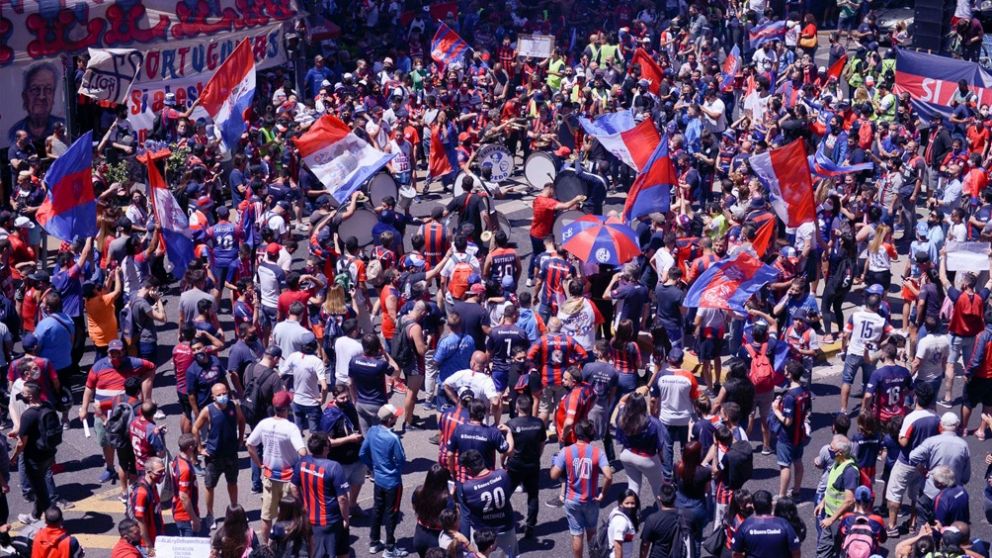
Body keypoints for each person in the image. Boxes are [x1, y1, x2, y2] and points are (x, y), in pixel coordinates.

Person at [246, 390, 307, 545]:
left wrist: (259, 463)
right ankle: (289, 545)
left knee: (266, 515)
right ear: (287, 408)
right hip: (289, 478)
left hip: (270, 476)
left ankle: (266, 546)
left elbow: (249, 444)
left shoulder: (264, 424)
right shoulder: (291, 428)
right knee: (292, 514)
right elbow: (302, 452)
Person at [550, 420, 612, 558]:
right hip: (591, 499)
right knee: (592, 533)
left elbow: (553, 475)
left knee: (576, 534)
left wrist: (555, 463)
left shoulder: (566, 451)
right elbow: (608, 476)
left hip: (572, 500)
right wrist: (602, 494)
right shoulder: (598, 452)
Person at [192, 382, 246, 529]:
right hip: (213, 456)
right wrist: (199, 448)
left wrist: (240, 439)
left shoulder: (234, 406)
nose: (223, 396)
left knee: (232, 483)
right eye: (219, 395)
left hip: (231, 454)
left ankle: (234, 510)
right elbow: (195, 428)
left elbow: (241, 421)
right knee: (210, 486)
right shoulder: (207, 410)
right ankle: (210, 515)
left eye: (224, 393)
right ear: (213, 396)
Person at [359, 404, 408, 558]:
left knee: (377, 510)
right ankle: (390, 548)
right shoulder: (393, 438)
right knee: (391, 514)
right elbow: (401, 460)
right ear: (389, 419)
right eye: (395, 416)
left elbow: (362, 453)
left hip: (379, 480)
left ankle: (374, 542)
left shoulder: (372, 431)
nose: (397, 417)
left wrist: (373, 467)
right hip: (392, 482)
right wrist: (394, 471)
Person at [294, 432, 350, 558]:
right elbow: (342, 498)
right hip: (330, 521)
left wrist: (302, 506)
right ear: (325, 448)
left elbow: (293, 487)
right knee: (339, 551)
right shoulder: (334, 467)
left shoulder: (302, 463)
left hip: (311, 518)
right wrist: (345, 518)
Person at [10, 382, 57, 524]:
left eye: (23, 393)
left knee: (41, 491)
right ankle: (35, 515)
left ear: (30, 396)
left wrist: (14, 457)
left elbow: (21, 443)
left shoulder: (28, 415)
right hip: (48, 454)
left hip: (34, 459)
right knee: (40, 486)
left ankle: (52, 522)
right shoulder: (48, 406)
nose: (21, 395)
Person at [457, 449, 518, 557]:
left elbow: (465, 514)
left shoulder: (468, 487)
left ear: (468, 469)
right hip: (505, 527)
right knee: (510, 555)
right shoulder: (503, 474)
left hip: (482, 534)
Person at [504, 394, 546, 539]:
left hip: (515, 465)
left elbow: (507, 447)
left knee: (505, 494)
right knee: (533, 496)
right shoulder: (539, 423)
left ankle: (504, 522)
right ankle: (531, 525)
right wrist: (537, 458)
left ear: (517, 407)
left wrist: (502, 462)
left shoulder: (511, 424)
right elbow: (542, 444)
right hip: (533, 464)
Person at [771, 360, 812, 499]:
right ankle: (796, 491)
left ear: (789, 374)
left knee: (785, 466)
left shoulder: (790, 396)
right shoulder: (805, 392)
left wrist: (776, 410)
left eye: (786, 370)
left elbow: (787, 421)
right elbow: (807, 411)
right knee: (798, 461)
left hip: (787, 436)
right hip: (799, 435)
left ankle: (782, 495)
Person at [814, 435, 859, 558]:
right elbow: (833, 487)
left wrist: (831, 519)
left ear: (840, 453)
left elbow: (849, 500)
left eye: (831, 448)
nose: (829, 449)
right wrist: (823, 502)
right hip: (831, 516)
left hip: (839, 520)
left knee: (837, 552)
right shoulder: (837, 463)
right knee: (824, 550)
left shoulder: (850, 471)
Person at [731, 489, 802, 558]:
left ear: (754, 507)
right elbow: (796, 551)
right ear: (771, 505)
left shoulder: (745, 525)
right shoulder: (783, 524)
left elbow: (736, 553)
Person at [8, 61, 65, 143]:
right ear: (25, 96)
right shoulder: (13, 133)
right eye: (35, 89)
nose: (42, 96)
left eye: (48, 89)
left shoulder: (63, 125)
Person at [411, 464, 453, 558]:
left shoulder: (418, 492)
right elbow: (450, 519)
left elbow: (414, 507)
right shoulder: (447, 499)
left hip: (420, 535)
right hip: (438, 537)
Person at [128, 456, 166, 548]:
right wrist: (149, 545)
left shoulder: (153, 485)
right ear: (149, 472)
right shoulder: (142, 493)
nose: (163, 474)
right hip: (147, 543)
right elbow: (141, 522)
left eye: (164, 470)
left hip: (157, 537)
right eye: (159, 472)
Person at [172, 433, 202, 537]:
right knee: (189, 548)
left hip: (179, 511)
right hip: (185, 516)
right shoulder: (185, 469)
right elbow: (184, 496)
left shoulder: (177, 459)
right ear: (190, 448)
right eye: (195, 445)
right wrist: (194, 519)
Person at [606, 490, 640, 558]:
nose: (630, 506)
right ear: (620, 503)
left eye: (632, 503)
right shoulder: (621, 522)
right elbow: (617, 546)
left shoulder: (619, 512)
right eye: (627, 503)